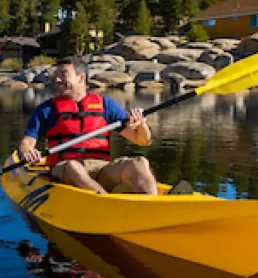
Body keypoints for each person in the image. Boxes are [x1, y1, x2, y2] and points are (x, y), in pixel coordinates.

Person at [17, 56, 190, 195]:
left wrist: (142, 125)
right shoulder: (46, 110)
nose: (58, 79)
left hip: (101, 168)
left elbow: (142, 141)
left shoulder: (105, 105)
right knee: (73, 166)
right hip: (66, 170)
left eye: (63, 74)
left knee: (140, 162)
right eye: (57, 75)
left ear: (81, 77)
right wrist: (28, 153)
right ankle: (104, 201)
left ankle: (152, 206)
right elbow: (26, 143)